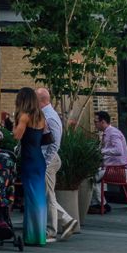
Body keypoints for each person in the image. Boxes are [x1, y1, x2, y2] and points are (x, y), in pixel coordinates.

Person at [35, 88, 78, 240]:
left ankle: (54, 229)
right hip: (47, 159)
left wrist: (45, 163)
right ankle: (65, 221)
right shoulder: (44, 114)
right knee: (48, 195)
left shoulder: (50, 116)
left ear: (41, 100)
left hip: (49, 159)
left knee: (48, 195)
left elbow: (55, 144)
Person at [12, 88, 48, 247]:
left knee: (31, 198)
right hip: (39, 159)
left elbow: (16, 136)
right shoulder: (41, 116)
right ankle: (39, 235)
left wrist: (13, 122)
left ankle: (32, 236)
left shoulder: (24, 116)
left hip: (29, 160)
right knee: (39, 197)